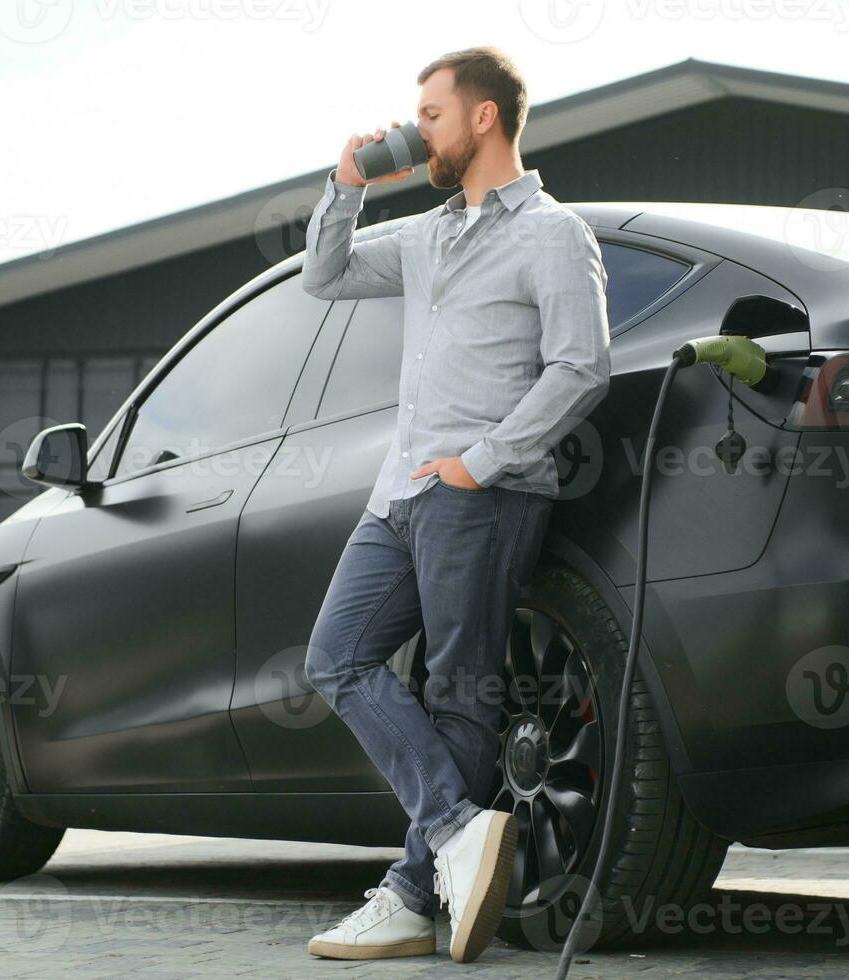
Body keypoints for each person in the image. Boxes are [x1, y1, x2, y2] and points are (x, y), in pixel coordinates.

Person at [300, 45, 612, 964]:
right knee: (336, 658)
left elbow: (580, 368)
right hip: (397, 494)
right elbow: (324, 274)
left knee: (459, 690)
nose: (416, 128)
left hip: (480, 494)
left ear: (483, 117)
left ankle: (409, 894)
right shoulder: (431, 234)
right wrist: (345, 181)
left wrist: (482, 460)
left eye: (429, 113)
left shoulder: (554, 234)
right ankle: (452, 833)